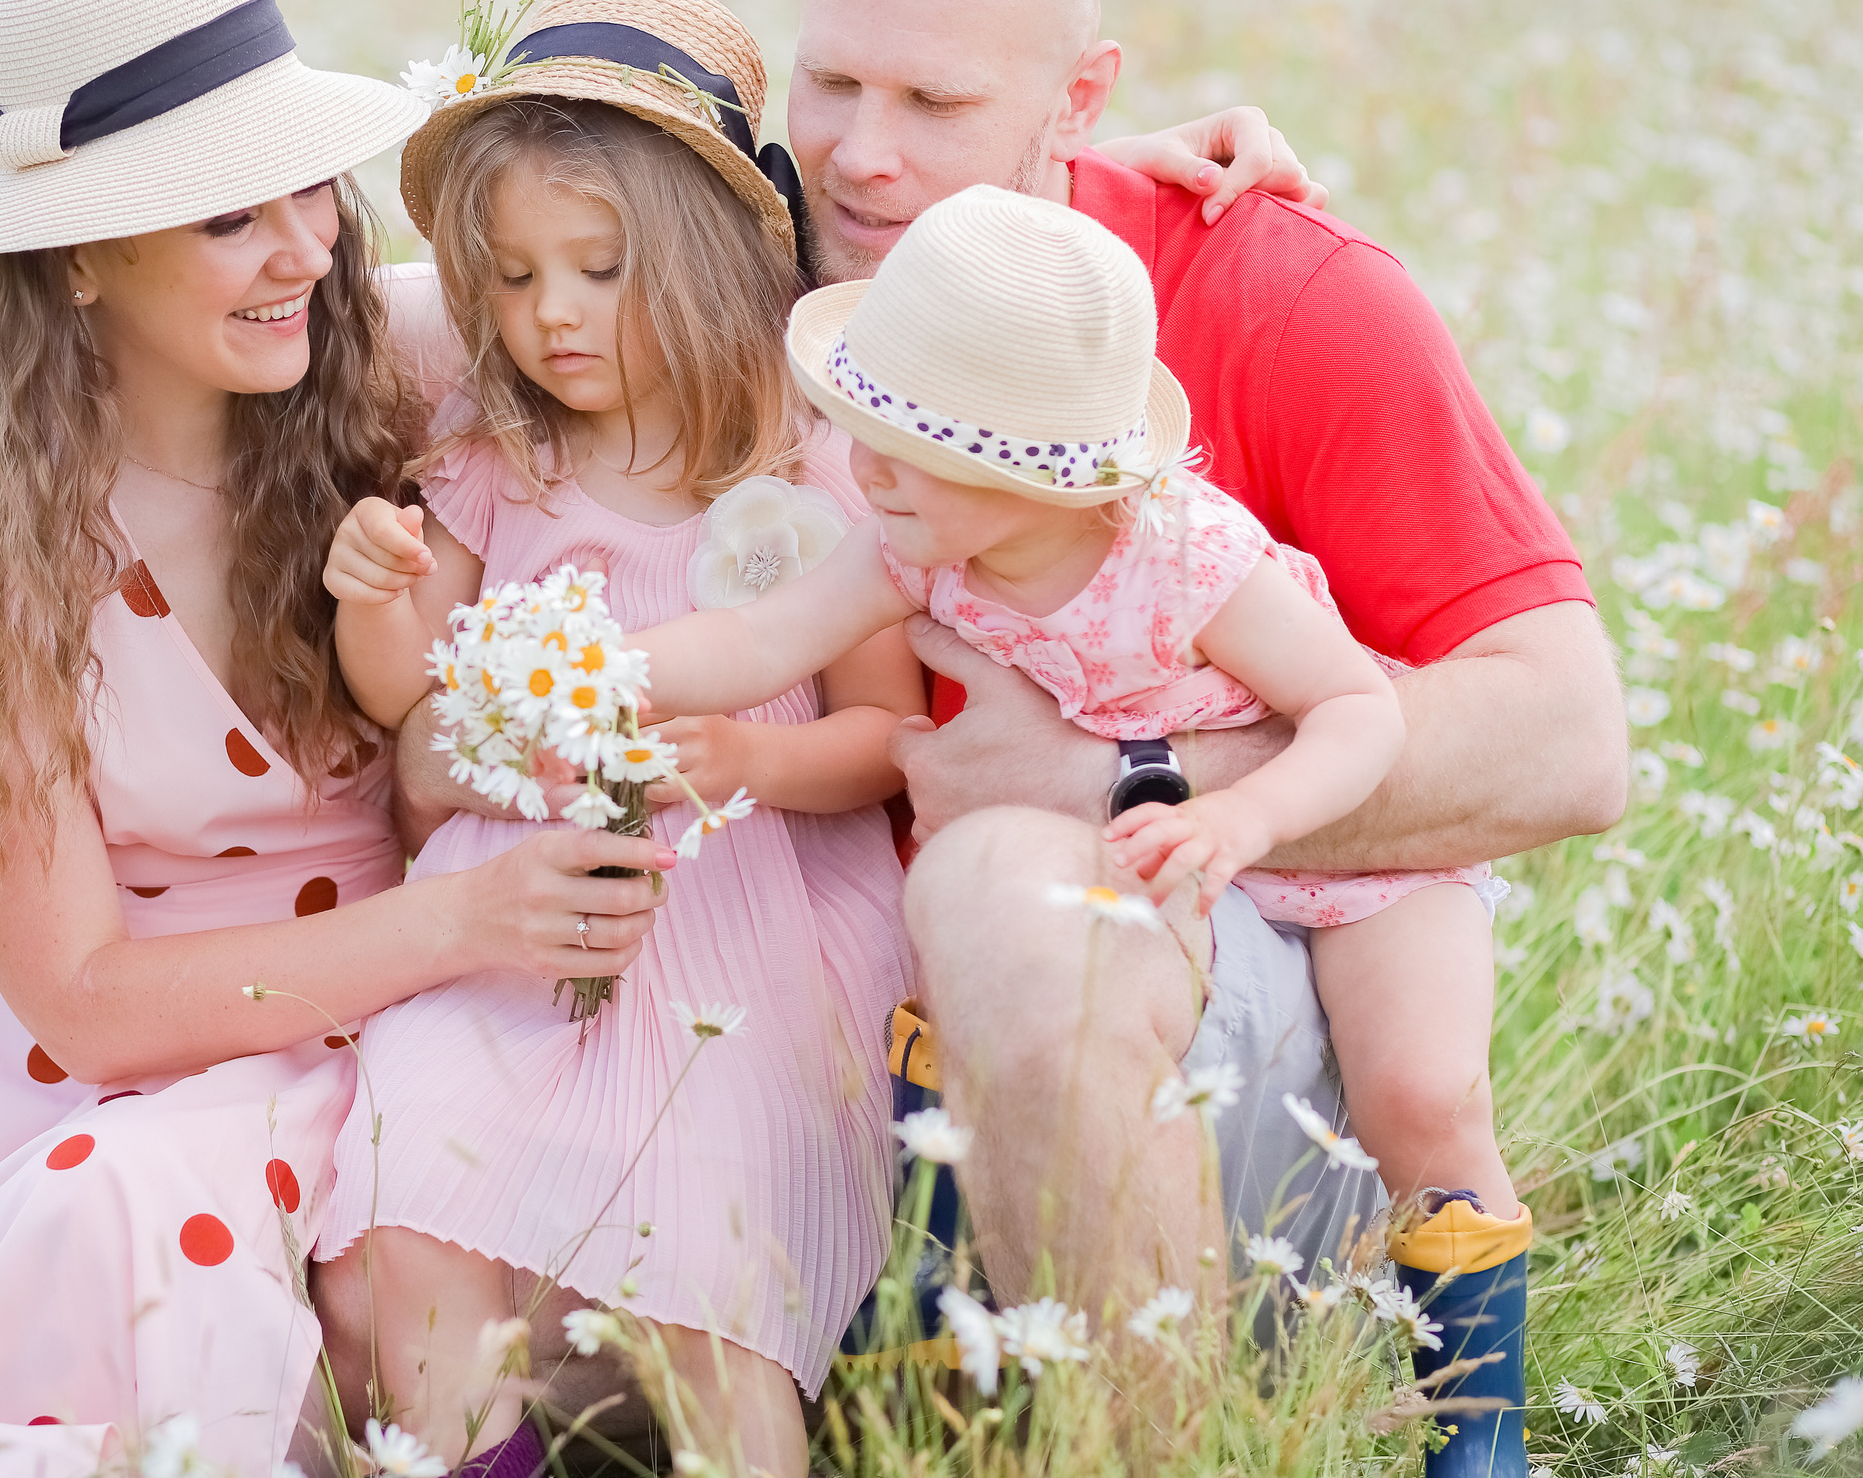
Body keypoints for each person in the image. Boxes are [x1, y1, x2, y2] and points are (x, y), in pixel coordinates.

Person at [0, 0, 674, 1478]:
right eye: (229, 215)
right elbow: (85, 1000)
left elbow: (747, 299)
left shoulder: (400, 353)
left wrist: (1100, 173)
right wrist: (464, 921)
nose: (309, 246)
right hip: (102, 1056)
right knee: (114, 1212)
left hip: (417, 997)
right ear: (81, 252)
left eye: (309, 187)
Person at [782, 0, 1627, 1477]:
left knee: (1009, 898)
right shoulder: (759, 247)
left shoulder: (1279, 291)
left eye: (938, 106)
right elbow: (452, 285)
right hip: (806, 1053)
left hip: (1174, 1034)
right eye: (830, 82)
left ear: (1076, 94)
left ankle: (1163, 1443)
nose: (863, 160)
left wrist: (1121, 775)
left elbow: (1569, 743)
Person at [627, 179, 1523, 1339]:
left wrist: (1241, 818)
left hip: (1339, 856)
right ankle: (945, 1293)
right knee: (978, 958)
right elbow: (759, 638)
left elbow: (1359, 709)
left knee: (1423, 1092)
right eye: (868, 432)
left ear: (1041, 476)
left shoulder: (1187, 557)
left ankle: (1475, 1414)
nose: (867, 469)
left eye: (907, 447)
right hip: (1164, 865)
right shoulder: (915, 542)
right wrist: (589, 664)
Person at [313, 0, 920, 1477]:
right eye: (511, 279)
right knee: (401, 1194)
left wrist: (756, 758)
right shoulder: (495, 458)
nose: (549, 315)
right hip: (514, 918)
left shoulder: (807, 466)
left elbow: (885, 739)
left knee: (710, 1253)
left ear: (713, 263)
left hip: (748, 919)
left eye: (597, 269)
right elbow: (407, 698)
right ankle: (480, 1453)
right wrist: (372, 590)